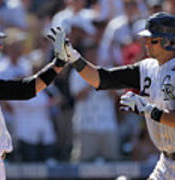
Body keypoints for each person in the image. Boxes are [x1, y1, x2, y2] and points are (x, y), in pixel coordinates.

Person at [51, 12, 175, 180]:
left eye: (152, 40)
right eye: (145, 39)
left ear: (170, 42)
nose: (146, 43)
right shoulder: (147, 67)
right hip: (167, 161)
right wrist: (74, 58)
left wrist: (148, 110)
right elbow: (101, 79)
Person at [0, 24, 66, 180]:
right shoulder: (2, 69)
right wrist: (57, 65)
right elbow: (24, 90)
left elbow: (25, 90)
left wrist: (57, 65)